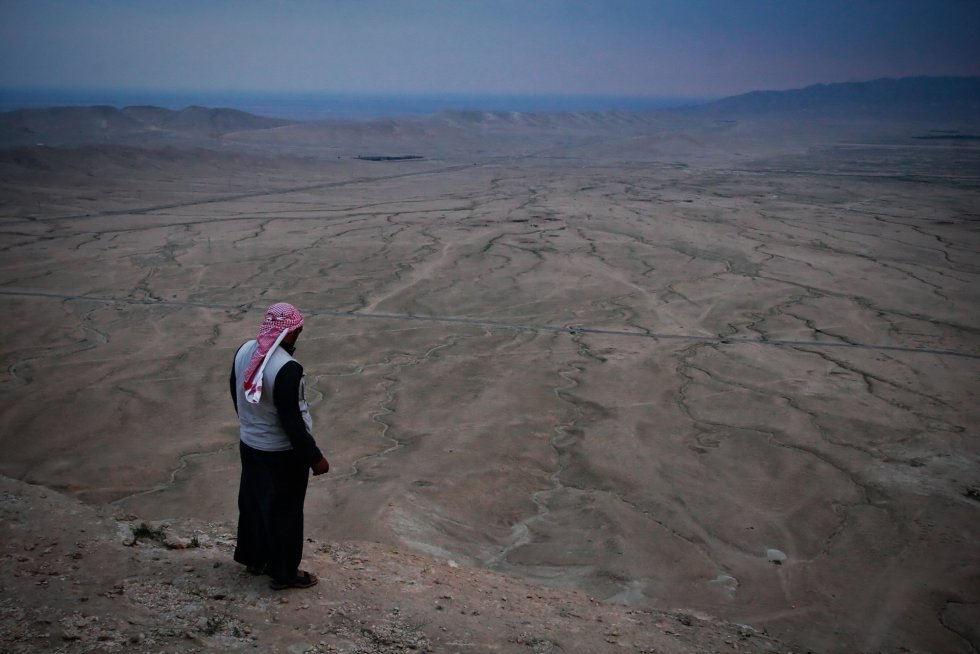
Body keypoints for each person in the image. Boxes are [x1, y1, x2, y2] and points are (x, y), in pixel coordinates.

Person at [229, 302, 330, 590]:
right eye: (297, 329)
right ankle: (284, 572)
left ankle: (253, 557)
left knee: (253, 502)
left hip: (250, 445)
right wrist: (314, 459)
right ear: (290, 331)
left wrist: (250, 425)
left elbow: (234, 389)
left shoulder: (244, 351)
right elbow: (292, 421)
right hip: (281, 454)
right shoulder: (287, 368)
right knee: (285, 512)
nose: (299, 333)